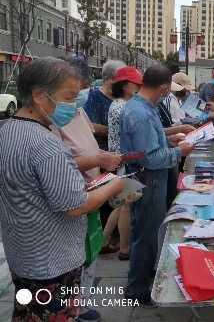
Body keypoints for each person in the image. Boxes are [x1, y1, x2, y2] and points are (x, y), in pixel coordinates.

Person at [0, 57, 124, 321]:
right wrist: (115, 185)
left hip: (23, 253)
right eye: (69, 96)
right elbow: (75, 206)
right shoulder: (46, 144)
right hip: (52, 261)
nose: (72, 104)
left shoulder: (8, 130)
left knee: (27, 312)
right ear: (39, 95)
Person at [52, 57, 123, 322]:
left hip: (92, 189)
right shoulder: (52, 119)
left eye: (80, 88)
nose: (80, 95)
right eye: (74, 91)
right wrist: (98, 160)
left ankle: (80, 305)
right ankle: (74, 308)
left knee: (89, 253)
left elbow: (89, 143)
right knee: (75, 259)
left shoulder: (76, 111)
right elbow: (61, 161)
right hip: (74, 197)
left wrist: (101, 157)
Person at [120, 64, 194, 305]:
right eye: (167, 90)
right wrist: (179, 151)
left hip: (149, 179)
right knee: (146, 235)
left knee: (148, 232)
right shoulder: (139, 113)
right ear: (163, 88)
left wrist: (169, 137)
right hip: (147, 179)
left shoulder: (142, 107)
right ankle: (137, 289)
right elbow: (150, 158)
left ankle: (143, 275)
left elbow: (151, 138)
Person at [102, 66, 144, 261]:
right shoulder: (124, 108)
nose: (140, 88)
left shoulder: (117, 104)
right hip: (126, 160)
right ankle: (125, 249)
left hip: (120, 159)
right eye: (137, 84)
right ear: (127, 86)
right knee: (127, 204)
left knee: (120, 205)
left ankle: (103, 241)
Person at [84, 59, 126, 151]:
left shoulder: (123, 97)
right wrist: (118, 131)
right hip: (104, 153)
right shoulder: (93, 97)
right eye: (122, 79)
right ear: (110, 79)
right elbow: (91, 126)